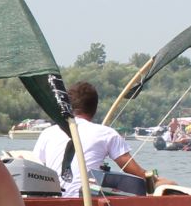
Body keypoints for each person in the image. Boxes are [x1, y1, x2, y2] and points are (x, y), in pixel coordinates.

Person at [29, 81, 158, 197]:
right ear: (94, 109)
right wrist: (157, 180)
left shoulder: (47, 133)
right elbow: (134, 170)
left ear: (68, 106)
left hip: (55, 203)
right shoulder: (106, 133)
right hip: (86, 204)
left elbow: (34, 169)